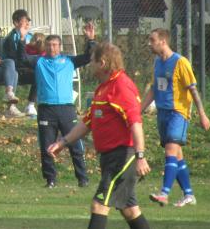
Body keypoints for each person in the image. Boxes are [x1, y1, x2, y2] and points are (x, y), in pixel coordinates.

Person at [48, 42, 151, 229]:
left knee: (99, 204)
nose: (90, 65)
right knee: (130, 209)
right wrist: (63, 142)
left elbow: (136, 123)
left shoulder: (121, 86)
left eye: (92, 61)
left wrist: (140, 156)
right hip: (109, 157)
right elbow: (87, 122)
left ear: (102, 63)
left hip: (123, 156)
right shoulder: (103, 88)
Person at [19, 24, 96, 188]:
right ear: (45, 47)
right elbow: (22, 57)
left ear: (60, 47)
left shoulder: (69, 60)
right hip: (46, 109)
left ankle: (83, 179)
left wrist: (90, 39)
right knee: (47, 145)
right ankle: (51, 180)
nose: (51, 48)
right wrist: (21, 38)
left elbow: (90, 56)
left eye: (54, 45)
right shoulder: (39, 61)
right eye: (48, 45)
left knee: (75, 144)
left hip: (66, 109)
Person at [141, 28, 210, 207]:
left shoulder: (181, 62)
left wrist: (202, 114)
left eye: (152, 40)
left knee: (170, 150)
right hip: (162, 113)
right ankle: (189, 194)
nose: (150, 43)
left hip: (178, 113)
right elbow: (155, 90)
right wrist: (139, 110)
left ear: (163, 41)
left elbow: (193, 90)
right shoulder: (157, 62)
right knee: (177, 156)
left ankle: (164, 193)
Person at [3, 9, 37, 116]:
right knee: (36, 73)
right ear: (16, 23)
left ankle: (30, 105)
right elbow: (14, 58)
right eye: (24, 21)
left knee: (41, 73)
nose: (27, 23)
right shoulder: (11, 38)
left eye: (28, 21)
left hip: (29, 67)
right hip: (16, 68)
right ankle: (12, 107)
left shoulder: (31, 36)